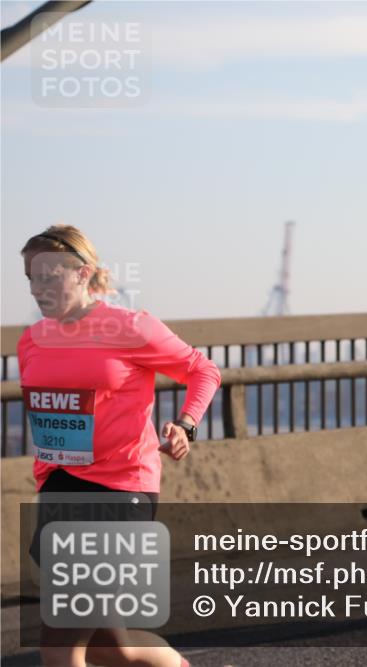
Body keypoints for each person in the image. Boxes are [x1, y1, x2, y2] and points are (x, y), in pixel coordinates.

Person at [19, 226, 221, 667]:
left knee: (59, 646)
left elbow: (202, 370)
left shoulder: (129, 327)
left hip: (120, 487)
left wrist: (185, 425)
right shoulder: (31, 340)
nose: (39, 287)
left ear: (83, 274)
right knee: (112, 649)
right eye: (32, 277)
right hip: (59, 488)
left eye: (50, 275)